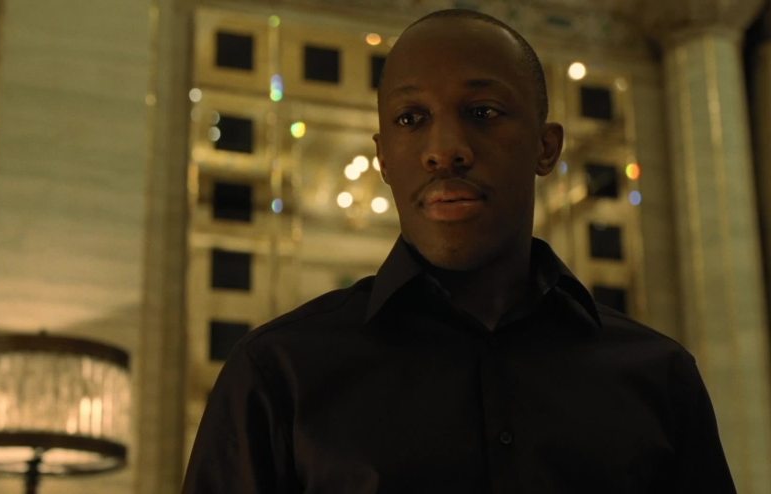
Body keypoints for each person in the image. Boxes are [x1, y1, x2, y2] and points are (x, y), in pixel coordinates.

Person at [182, 9, 735, 493]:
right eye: (411, 119)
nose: (445, 150)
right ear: (383, 158)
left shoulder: (658, 378)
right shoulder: (278, 376)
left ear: (546, 148)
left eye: (483, 112)